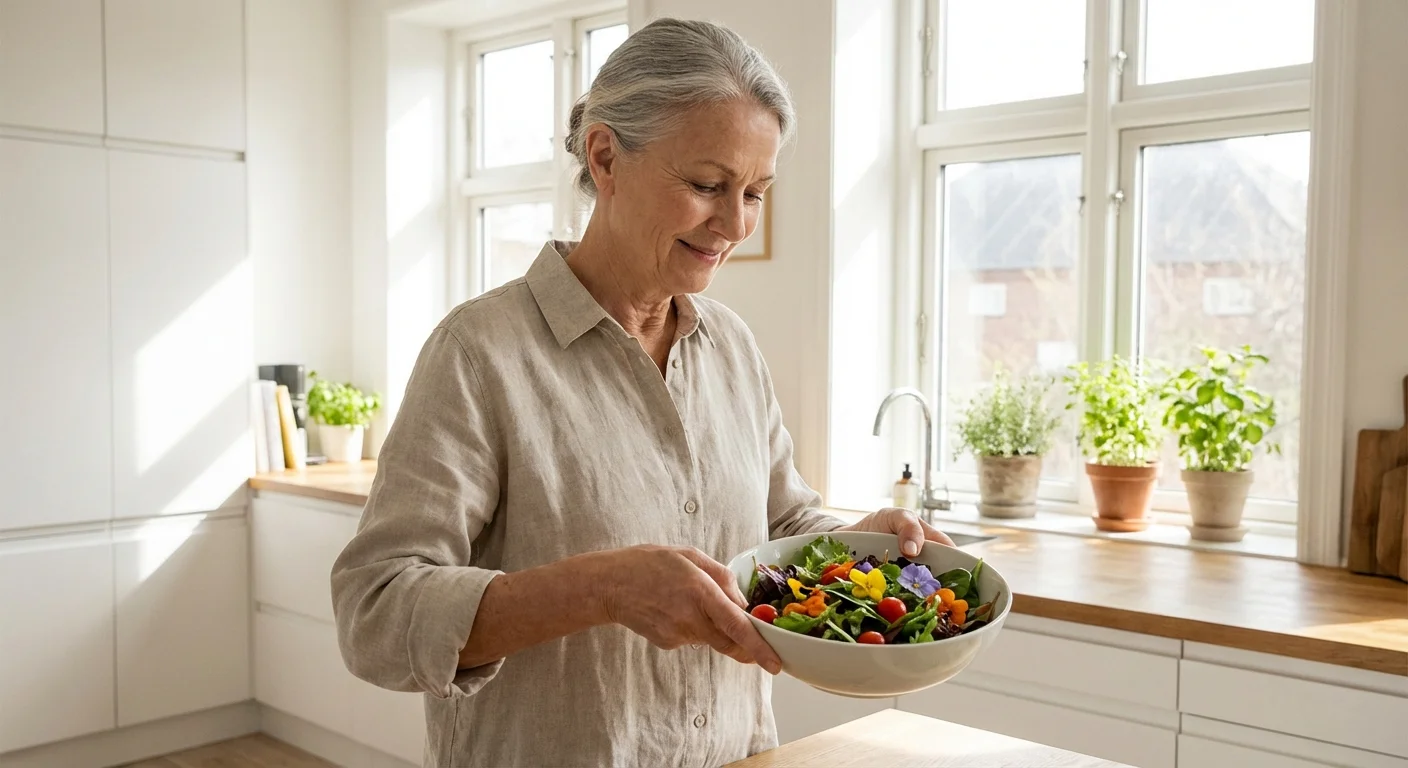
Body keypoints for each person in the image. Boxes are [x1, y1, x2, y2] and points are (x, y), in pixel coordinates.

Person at [330, 16, 954, 768]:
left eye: (755, 192)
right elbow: (375, 612)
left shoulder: (731, 348)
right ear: (604, 158)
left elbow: (784, 523)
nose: (734, 225)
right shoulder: (479, 354)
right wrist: (599, 589)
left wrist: (866, 546)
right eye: (706, 185)